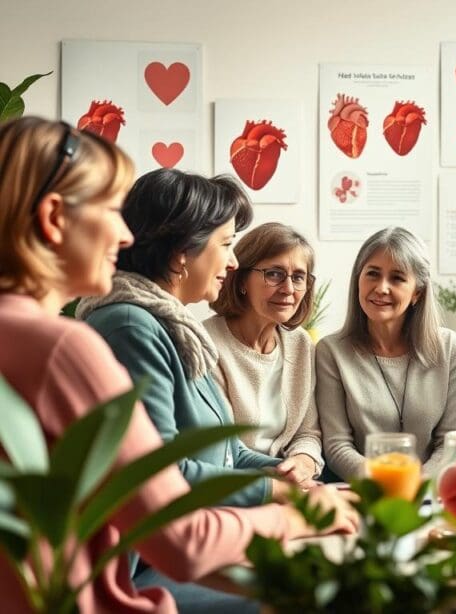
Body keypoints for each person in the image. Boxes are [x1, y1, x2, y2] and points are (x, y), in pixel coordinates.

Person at [0, 117, 357, 613]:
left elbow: (217, 458)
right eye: (109, 209)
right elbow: (178, 536)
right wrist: (296, 511)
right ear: (55, 217)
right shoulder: (80, 342)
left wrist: (283, 480)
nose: (125, 235)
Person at [75, 168, 355, 609]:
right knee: (315, 594)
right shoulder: (131, 326)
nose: (231, 262)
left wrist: (288, 475)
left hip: (188, 538)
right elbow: (160, 474)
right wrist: (274, 492)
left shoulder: (177, 327)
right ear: (182, 250)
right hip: (143, 567)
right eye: (225, 245)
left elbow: (228, 452)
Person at [316, 227, 456, 480]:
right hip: (366, 493)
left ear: (417, 292)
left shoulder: (449, 347)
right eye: (372, 274)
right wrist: (385, 483)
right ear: (358, 280)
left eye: (397, 278)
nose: (381, 288)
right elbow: (337, 446)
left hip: (429, 492)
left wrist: (417, 485)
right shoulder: (331, 351)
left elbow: (451, 443)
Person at [205, 222, 323, 489]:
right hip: (231, 489)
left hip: (292, 486)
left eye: (298, 277)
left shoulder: (301, 344)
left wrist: (303, 461)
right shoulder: (206, 343)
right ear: (242, 279)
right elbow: (219, 450)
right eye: (274, 274)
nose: (288, 289)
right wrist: (277, 478)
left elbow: (308, 432)